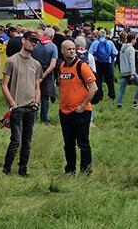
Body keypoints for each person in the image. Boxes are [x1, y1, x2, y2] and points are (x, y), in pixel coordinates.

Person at [1, 31, 42, 176]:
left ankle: (23, 170)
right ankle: (6, 169)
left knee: (27, 142)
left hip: (31, 107)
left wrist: (36, 102)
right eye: (31, 40)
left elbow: (37, 86)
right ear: (23, 40)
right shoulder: (12, 61)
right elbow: (4, 84)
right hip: (17, 107)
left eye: (35, 41)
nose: (33, 43)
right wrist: (12, 103)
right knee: (16, 141)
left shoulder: (36, 64)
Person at [58, 40, 97, 175]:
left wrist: (83, 105)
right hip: (65, 111)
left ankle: (86, 171)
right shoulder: (61, 66)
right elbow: (62, 87)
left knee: (83, 143)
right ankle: (70, 170)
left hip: (81, 112)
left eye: (74, 49)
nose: (72, 51)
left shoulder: (82, 66)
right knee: (68, 144)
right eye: (68, 49)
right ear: (62, 51)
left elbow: (94, 88)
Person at [31, 28, 58, 125]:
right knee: (45, 97)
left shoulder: (36, 45)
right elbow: (53, 65)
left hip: (34, 72)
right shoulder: (53, 47)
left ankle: (33, 116)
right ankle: (44, 119)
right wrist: (44, 75)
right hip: (47, 74)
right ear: (52, 36)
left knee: (34, 95)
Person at [89, 30, 118, 101]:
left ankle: (100, 95)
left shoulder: (95, 42)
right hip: (107, 63)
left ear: (98, 35)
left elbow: (90, 53)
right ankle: (111, 95)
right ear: (105, 35)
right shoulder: (110, 42)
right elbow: (115, 52)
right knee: (110, 80)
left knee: (98, 79)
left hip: (98, 63)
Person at [117, 33, 138, 110]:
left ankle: (119, 104)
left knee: (122, 89)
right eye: (135, 39)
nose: (136, 40)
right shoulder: (131, 49)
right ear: (132, 39)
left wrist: (122, 70)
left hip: (123, 70)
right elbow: (132, 62)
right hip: (130, 71)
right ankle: (135, 103)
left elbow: (121, 60)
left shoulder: (123, 47)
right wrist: (132, 73)